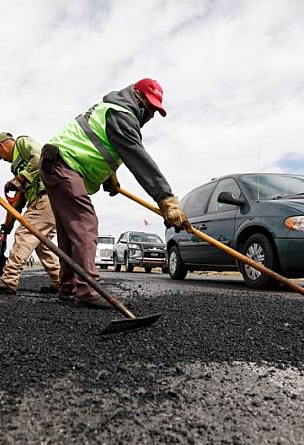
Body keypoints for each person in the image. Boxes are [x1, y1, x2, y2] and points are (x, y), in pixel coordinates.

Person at [39, 79, 190, 308]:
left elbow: (99, 144)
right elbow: (140, 161)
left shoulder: (111, 110)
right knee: (85, 224)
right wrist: (166, 200)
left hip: (55, 164)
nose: (149, 115)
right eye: (148, 108)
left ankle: (68, 288)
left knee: (70, 234)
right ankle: (89, 289)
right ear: (136, 98)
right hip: (64, 165)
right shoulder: (121, 115)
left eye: (154, 111)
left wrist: (110, 175)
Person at [0, 133, 60, 294]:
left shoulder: (22, 143)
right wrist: (7, 225)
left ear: (1, 146)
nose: (2, 159)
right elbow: (18, 201)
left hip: (46, 198)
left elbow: (40, 157)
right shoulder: (18, 168)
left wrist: (20, 179)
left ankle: (9, 280)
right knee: (43, 246)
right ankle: (61, 282)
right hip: (48, 202)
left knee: (24, 234)